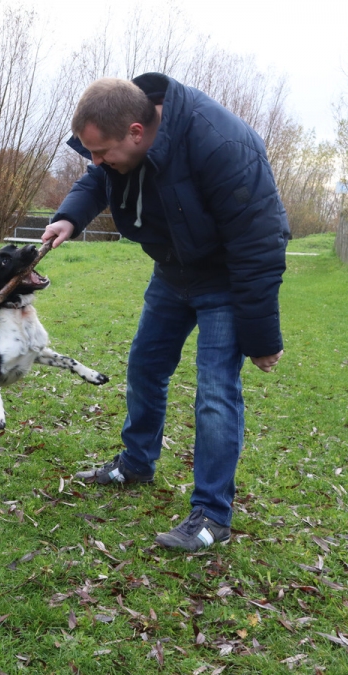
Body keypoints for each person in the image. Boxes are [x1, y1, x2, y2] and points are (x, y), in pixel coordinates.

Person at [43, 73, 289, 552]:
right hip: (173, 271)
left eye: (101, 150)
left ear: (137, 131)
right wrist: (69, 217)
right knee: (145, 365)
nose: (94, 160)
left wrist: (261, 336)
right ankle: (136, 462)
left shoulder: (220, 143)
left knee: (216, 390)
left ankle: (212, 515)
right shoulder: (122, 135)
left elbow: (258, 242)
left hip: (225, 278)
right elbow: (100, 176)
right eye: (89, 151)